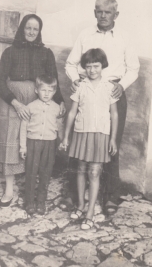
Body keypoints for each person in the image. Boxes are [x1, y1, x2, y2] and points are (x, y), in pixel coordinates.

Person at [65, 0, 140, 215]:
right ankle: (75, 195)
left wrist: (122, 86)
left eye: (108, 12)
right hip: (87, 92)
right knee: (82, 141)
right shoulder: (85, 35)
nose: (103, 15)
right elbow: (71, 64)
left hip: (113, 92)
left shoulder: (125, 37)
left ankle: (110, 197)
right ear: (94, 12)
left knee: (110, 143)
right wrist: (75, 80)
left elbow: (133, 68)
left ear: (116, 15)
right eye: (99, 11)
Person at [0, 14, 66, 208]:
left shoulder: (46, 53)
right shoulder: (10, 52)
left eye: (35, 29)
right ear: (22, 29)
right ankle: (9, 189)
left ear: (39, 32)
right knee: (10, 144)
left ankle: (31, 186)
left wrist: (60, 101)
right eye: (28, 28)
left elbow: (52, 79)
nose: (31, 32)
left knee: (33, 142)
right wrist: (15, 102)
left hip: (37, 102)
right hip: (12, 103)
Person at [60, 48, 118, 229]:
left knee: (94, 172)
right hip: (81, 132)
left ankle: (91, 211)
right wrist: (66, 136)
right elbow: (72, 112)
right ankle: (80, 205)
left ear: (103, 66)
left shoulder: (109, 87)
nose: (92, 70)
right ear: (84, 68)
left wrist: (113, 139)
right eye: (89, 66)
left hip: (100, 134)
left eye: (96, 66)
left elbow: (114, 115)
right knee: (81, 169)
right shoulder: (80, 86)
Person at [19, 75, 61, 215]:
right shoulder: (30, 107)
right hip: (33, 143)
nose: (47, 93)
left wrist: (60, 142)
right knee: (31, 172)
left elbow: (58, 126)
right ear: (36, 90)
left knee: (45, 173)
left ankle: (41, 202)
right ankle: (29, 201)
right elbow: (23, 126)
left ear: (54, 91)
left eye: (50, 90)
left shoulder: (57, 108)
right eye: (43, 90)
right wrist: (23, 146)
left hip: (49, 144)